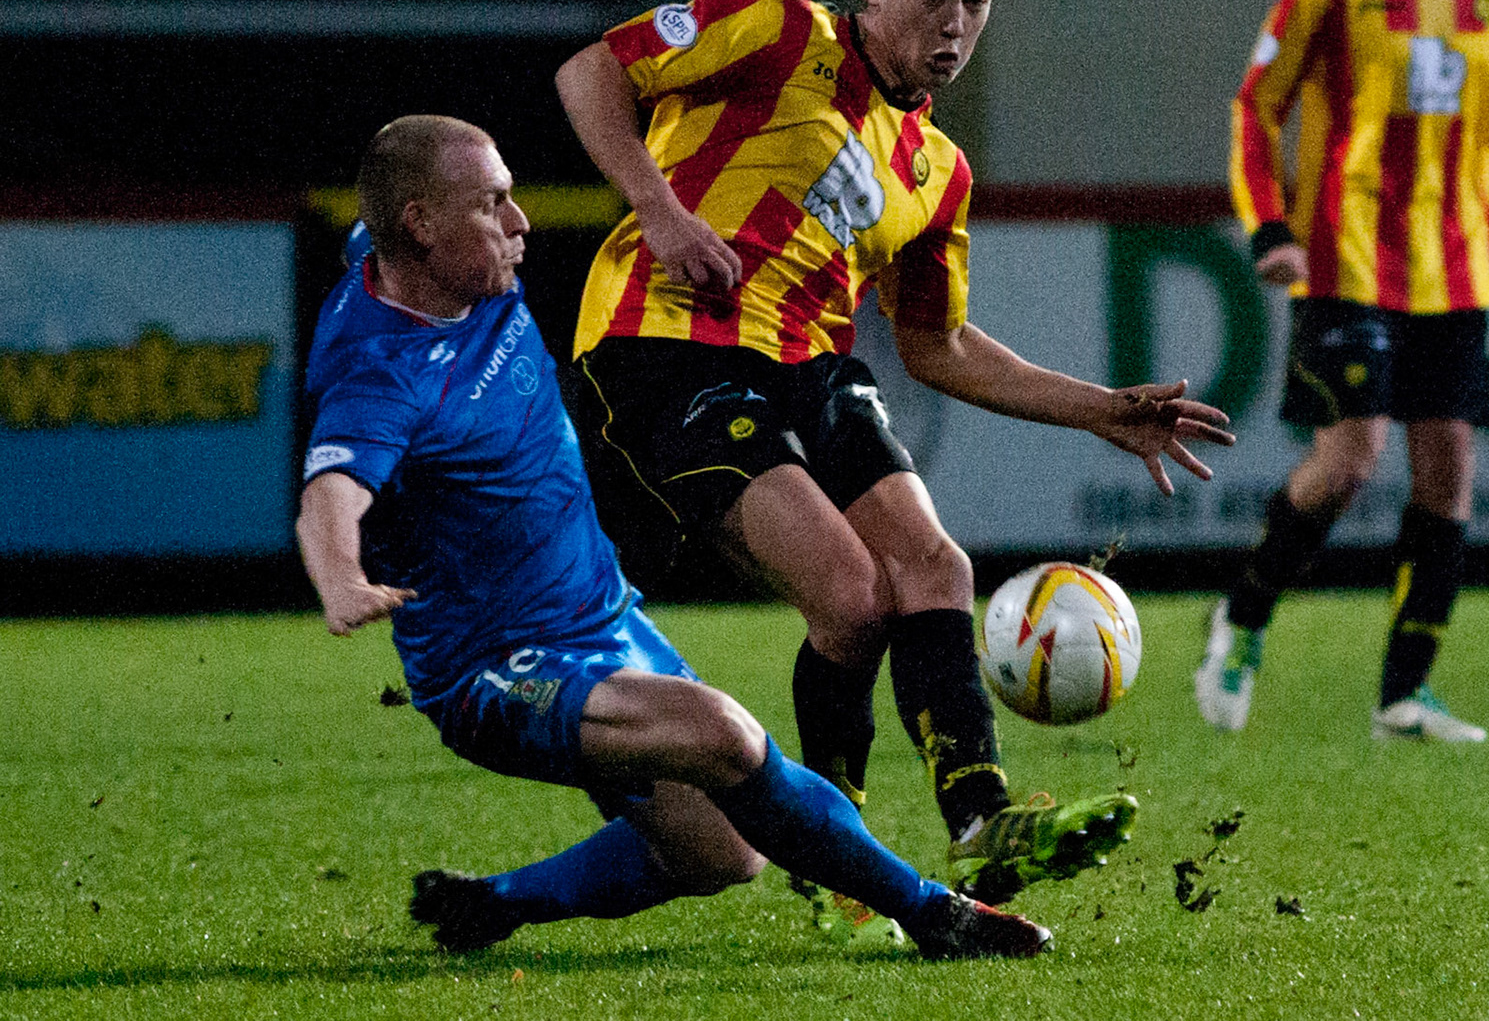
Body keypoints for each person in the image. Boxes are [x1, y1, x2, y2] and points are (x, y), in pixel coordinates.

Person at [554, 0, 1232, 923]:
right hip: (668, 341)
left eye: (976, 0)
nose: (954, 23)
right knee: (849, 592)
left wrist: (1099, 406)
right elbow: (592, 69)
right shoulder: (777, 33)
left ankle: (980, 821)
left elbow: (936, 344)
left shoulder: (938, 171)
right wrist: (659, 208)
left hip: (809, 364)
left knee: (935, 567)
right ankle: (837, 849)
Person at [295, 114, 1052, 960]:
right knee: (722, 736)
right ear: (421, 226)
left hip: (599, 618)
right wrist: (338, 576)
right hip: (494, 672)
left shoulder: (426, 261)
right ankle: (937, 917)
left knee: (722, 851)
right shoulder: (381, 374)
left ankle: (495, 904)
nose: (522, 223)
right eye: (494, 204)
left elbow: (391, 195)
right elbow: (331, 489)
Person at [1196, 0, 1489, 741]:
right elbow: (1253, 108)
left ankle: (1405, 691)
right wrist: (1268, 228)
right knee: (1351, 458)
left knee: (1449, 472)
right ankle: (1241, 618)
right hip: (1346, 261)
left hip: (1468, 266)